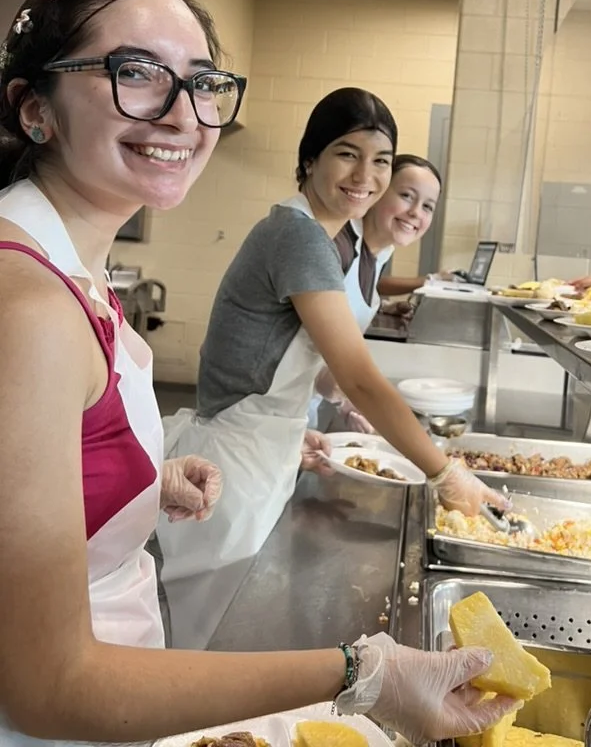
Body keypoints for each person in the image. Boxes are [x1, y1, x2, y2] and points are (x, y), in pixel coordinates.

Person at [0, 0, 518, 747]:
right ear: (35, 108)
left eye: (203, 83)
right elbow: (49, 687)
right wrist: (361, 672)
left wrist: (141, 479)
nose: (182, 115)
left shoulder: (75, 268)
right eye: (134, 73)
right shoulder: (30, 304)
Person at [158, 90, 505, 642]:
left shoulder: (322, 238)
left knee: (224, 627)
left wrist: (292, 431)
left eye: (381, 161)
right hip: (232, 463)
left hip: (259, 449)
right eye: (347, 154)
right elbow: (357, 377)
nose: (365, 175)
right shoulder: (298, 235)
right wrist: (444, 472)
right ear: (310, 159)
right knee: (208, 639)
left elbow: (286, 363)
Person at [306, 153, 444, 439]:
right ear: (378, 191)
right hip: (259, 418)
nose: (417, 212)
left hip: (300, 415)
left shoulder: (380, 253)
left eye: (428, 206)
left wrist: (346, 403)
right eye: (407, 195)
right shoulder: (336, 246)